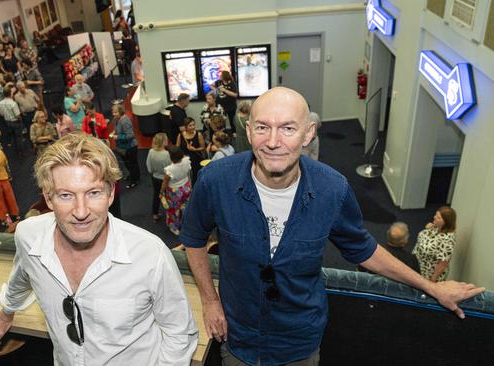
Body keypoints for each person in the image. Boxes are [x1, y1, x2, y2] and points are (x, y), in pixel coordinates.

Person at [179, 87, 484, 366]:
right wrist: (209, 300)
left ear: (308, 134)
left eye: (287, 128)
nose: (273, 142)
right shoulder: (216, 180)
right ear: (248, 130)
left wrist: (431, 287)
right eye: (262, 128)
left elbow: (364, 249)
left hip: (300, 341)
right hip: (239, 338)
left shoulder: (332, 189)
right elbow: (193, 238)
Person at [0, 133, 197, 364]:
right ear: (48, 198)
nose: (81, 212)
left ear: (111, 193)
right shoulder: (28, 235)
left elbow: (180, 333)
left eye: (93, 193)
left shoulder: (150, 254)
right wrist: (6, 313)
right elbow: (21, 277)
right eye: (66, 195)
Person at [413, 206, 457, 282]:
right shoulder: (435, 227)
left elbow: (443, 264)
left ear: (445, 222)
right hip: (418, 266)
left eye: (438, 217)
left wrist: (432, 281)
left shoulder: (447, 241)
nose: (434, 217)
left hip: (428, 274)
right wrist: (427, 229)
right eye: (436, 215)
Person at [161, 146, 192, 236]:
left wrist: (161, 192)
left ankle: (174, 227)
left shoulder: (169, 169)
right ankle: (186, 223)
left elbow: (165, 183)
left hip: (174, 191)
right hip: (186, 186)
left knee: (173, 210)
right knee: (185, 206)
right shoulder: (187, 160)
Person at [110, 103, 139, 188]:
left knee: (133, 165)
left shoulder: (125, 121)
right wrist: (114, 132)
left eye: (116, 112)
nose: (113, 114)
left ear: (120, 112)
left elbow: (130, 135)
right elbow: (117, 129)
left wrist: (117, 136)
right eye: (113, 112)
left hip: (130, 147)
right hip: (122, 147)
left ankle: (135, 180)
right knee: (128, 164)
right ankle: (132, 175)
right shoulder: (116, 119)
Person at [146, 133, 171, 223]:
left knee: (156, 195)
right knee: (169, 196)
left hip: (155, 178)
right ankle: (170, 213)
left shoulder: (151, 151)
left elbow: (149, 168)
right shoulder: (167, 154)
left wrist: (153, 173)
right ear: (164, 142)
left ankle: (155, 214)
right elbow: (170, 168)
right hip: (166, 179)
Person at [176, 117, 204, 181]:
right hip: (184, 160)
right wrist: (182, 155)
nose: (193, 127)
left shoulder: (198, 134)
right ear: (186, 127)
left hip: (196, 159)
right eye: (190, 125)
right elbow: (177, 148)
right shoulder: (180, 135)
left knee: (196, 175)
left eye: (193, 125)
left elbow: (203, 147)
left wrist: (195, 149)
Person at [0, 87, 25, 152]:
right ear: (10, 93)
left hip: (7, 122)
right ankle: (20, 151)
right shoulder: (13, 103)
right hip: (15, 122)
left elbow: (1, 114)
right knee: (19, 137)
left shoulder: (0, 103)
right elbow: (18, 115)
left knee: (13, 137)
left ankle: (14, 150)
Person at [212, 70, 238, 136]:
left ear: (225, 76)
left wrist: (225, 90)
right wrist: (216, 90)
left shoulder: (232, 83)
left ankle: (234, 132)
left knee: (232, 120)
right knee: (221, 120)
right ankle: (223, 132)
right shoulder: (219, 82)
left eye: (221, 75)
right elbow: (211, 85)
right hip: (220, 105)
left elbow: (235, 94)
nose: (219, 76)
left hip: (230, 105)